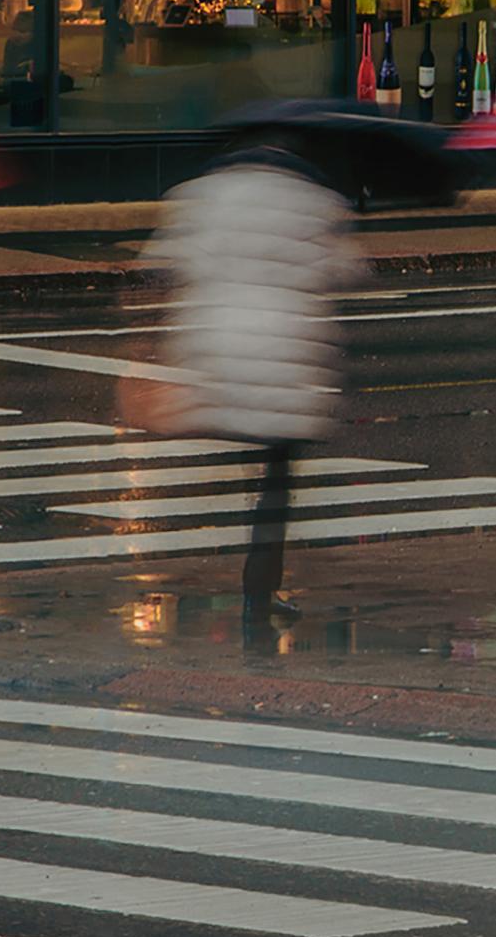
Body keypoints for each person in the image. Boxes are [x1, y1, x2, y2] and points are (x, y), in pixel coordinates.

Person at [146, 127, 364, 638]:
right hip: (284, 355)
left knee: (256, 470)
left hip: (221, 348)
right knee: (276, 483)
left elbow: (168, 264)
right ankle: (257, 593)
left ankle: (258, 588)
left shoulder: (204, 193)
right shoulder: (313, 201)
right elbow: (347, 270)